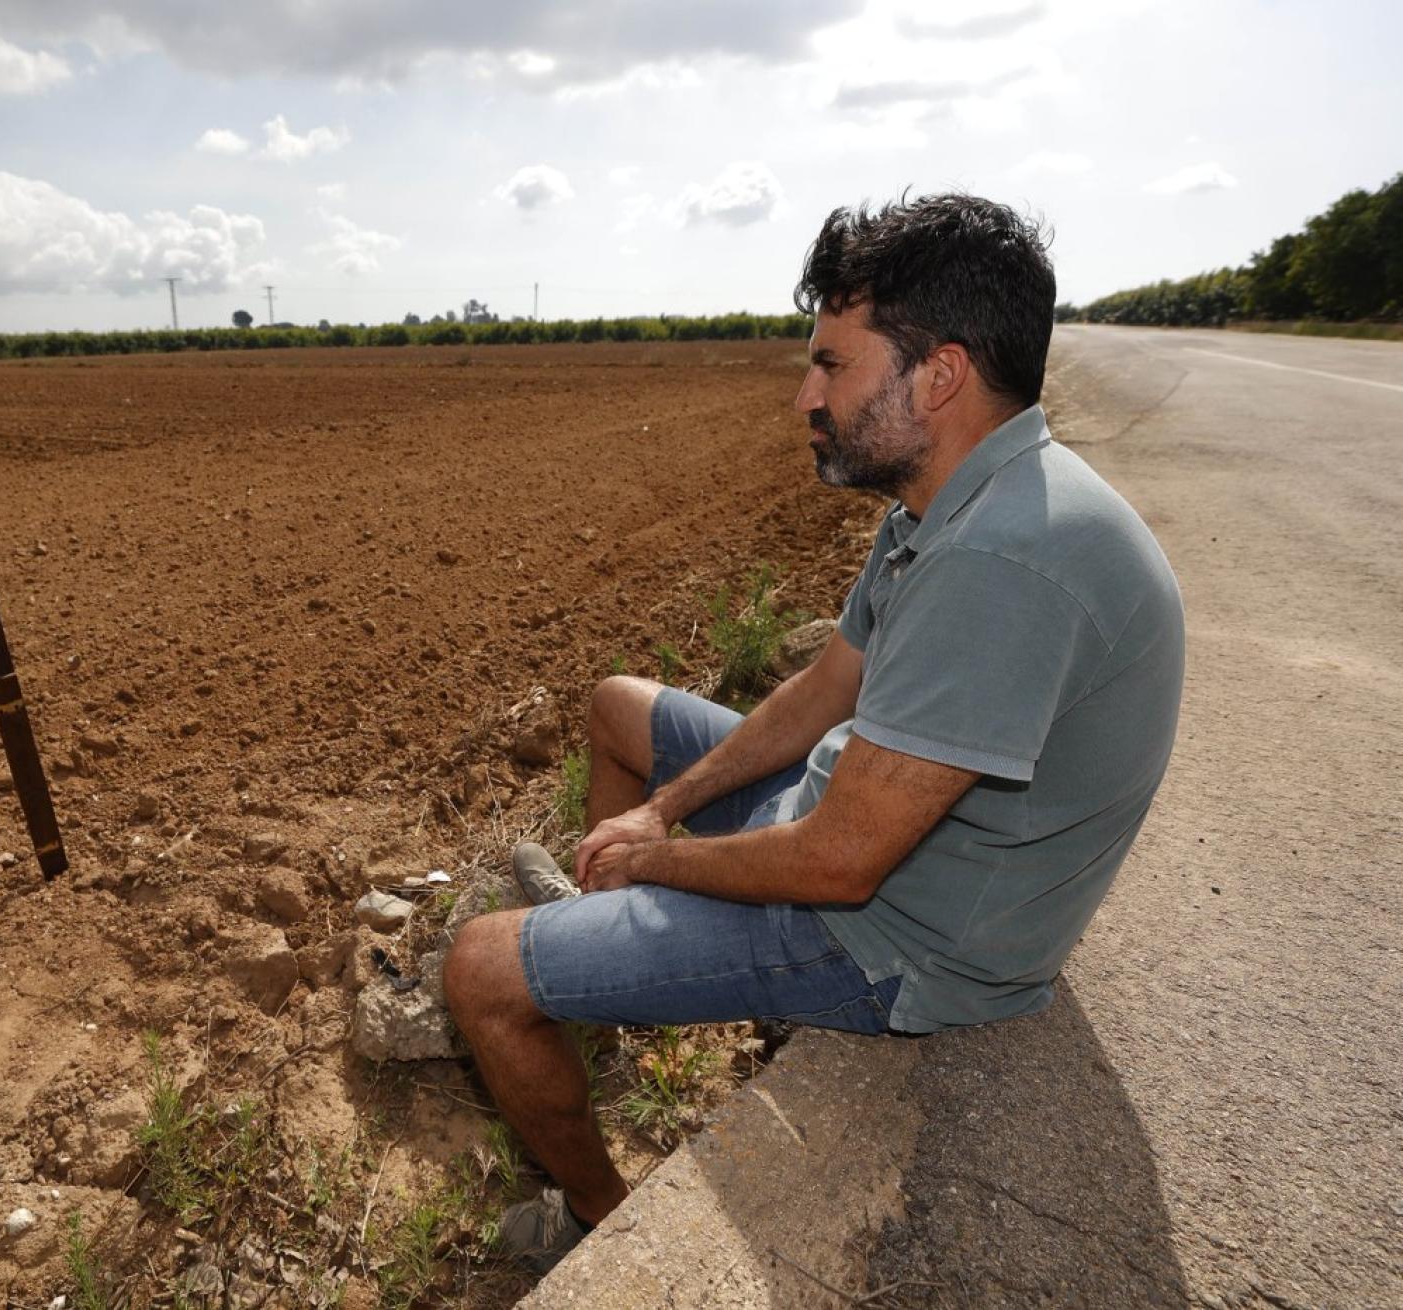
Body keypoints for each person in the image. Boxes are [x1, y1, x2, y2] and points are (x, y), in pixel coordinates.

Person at [442, 193, 1186, 1273]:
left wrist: (656, 861)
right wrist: (667, 801)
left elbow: (840, 864)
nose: (807, 394)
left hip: (906, 939)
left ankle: (596, 1213)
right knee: (617, 706)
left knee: (479, 970)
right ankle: (606, 986)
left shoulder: (1003, 558)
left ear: (939, 375)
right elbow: (827, 685)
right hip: (864, 829)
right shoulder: (948, 499)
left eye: (833, 365)